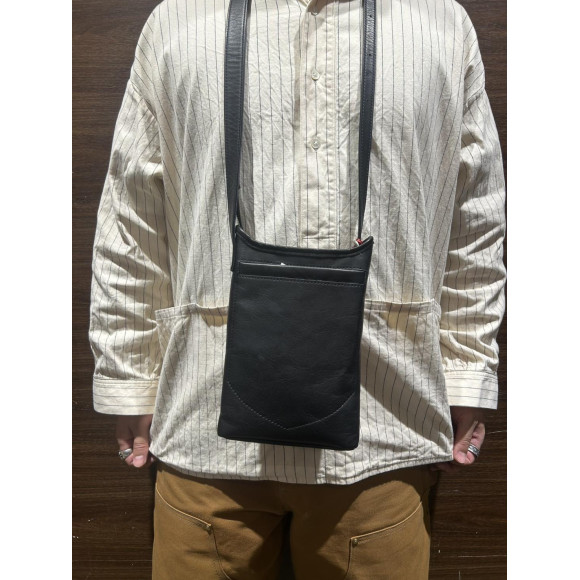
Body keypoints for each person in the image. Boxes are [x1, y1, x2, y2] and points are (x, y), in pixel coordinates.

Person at [88, 0, 506, 578]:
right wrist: (129, 379)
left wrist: (466, 371)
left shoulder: (440, 23)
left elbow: (475, 218)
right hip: (201, 429)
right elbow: (133, 217)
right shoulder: (178, 21)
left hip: (386, 431)